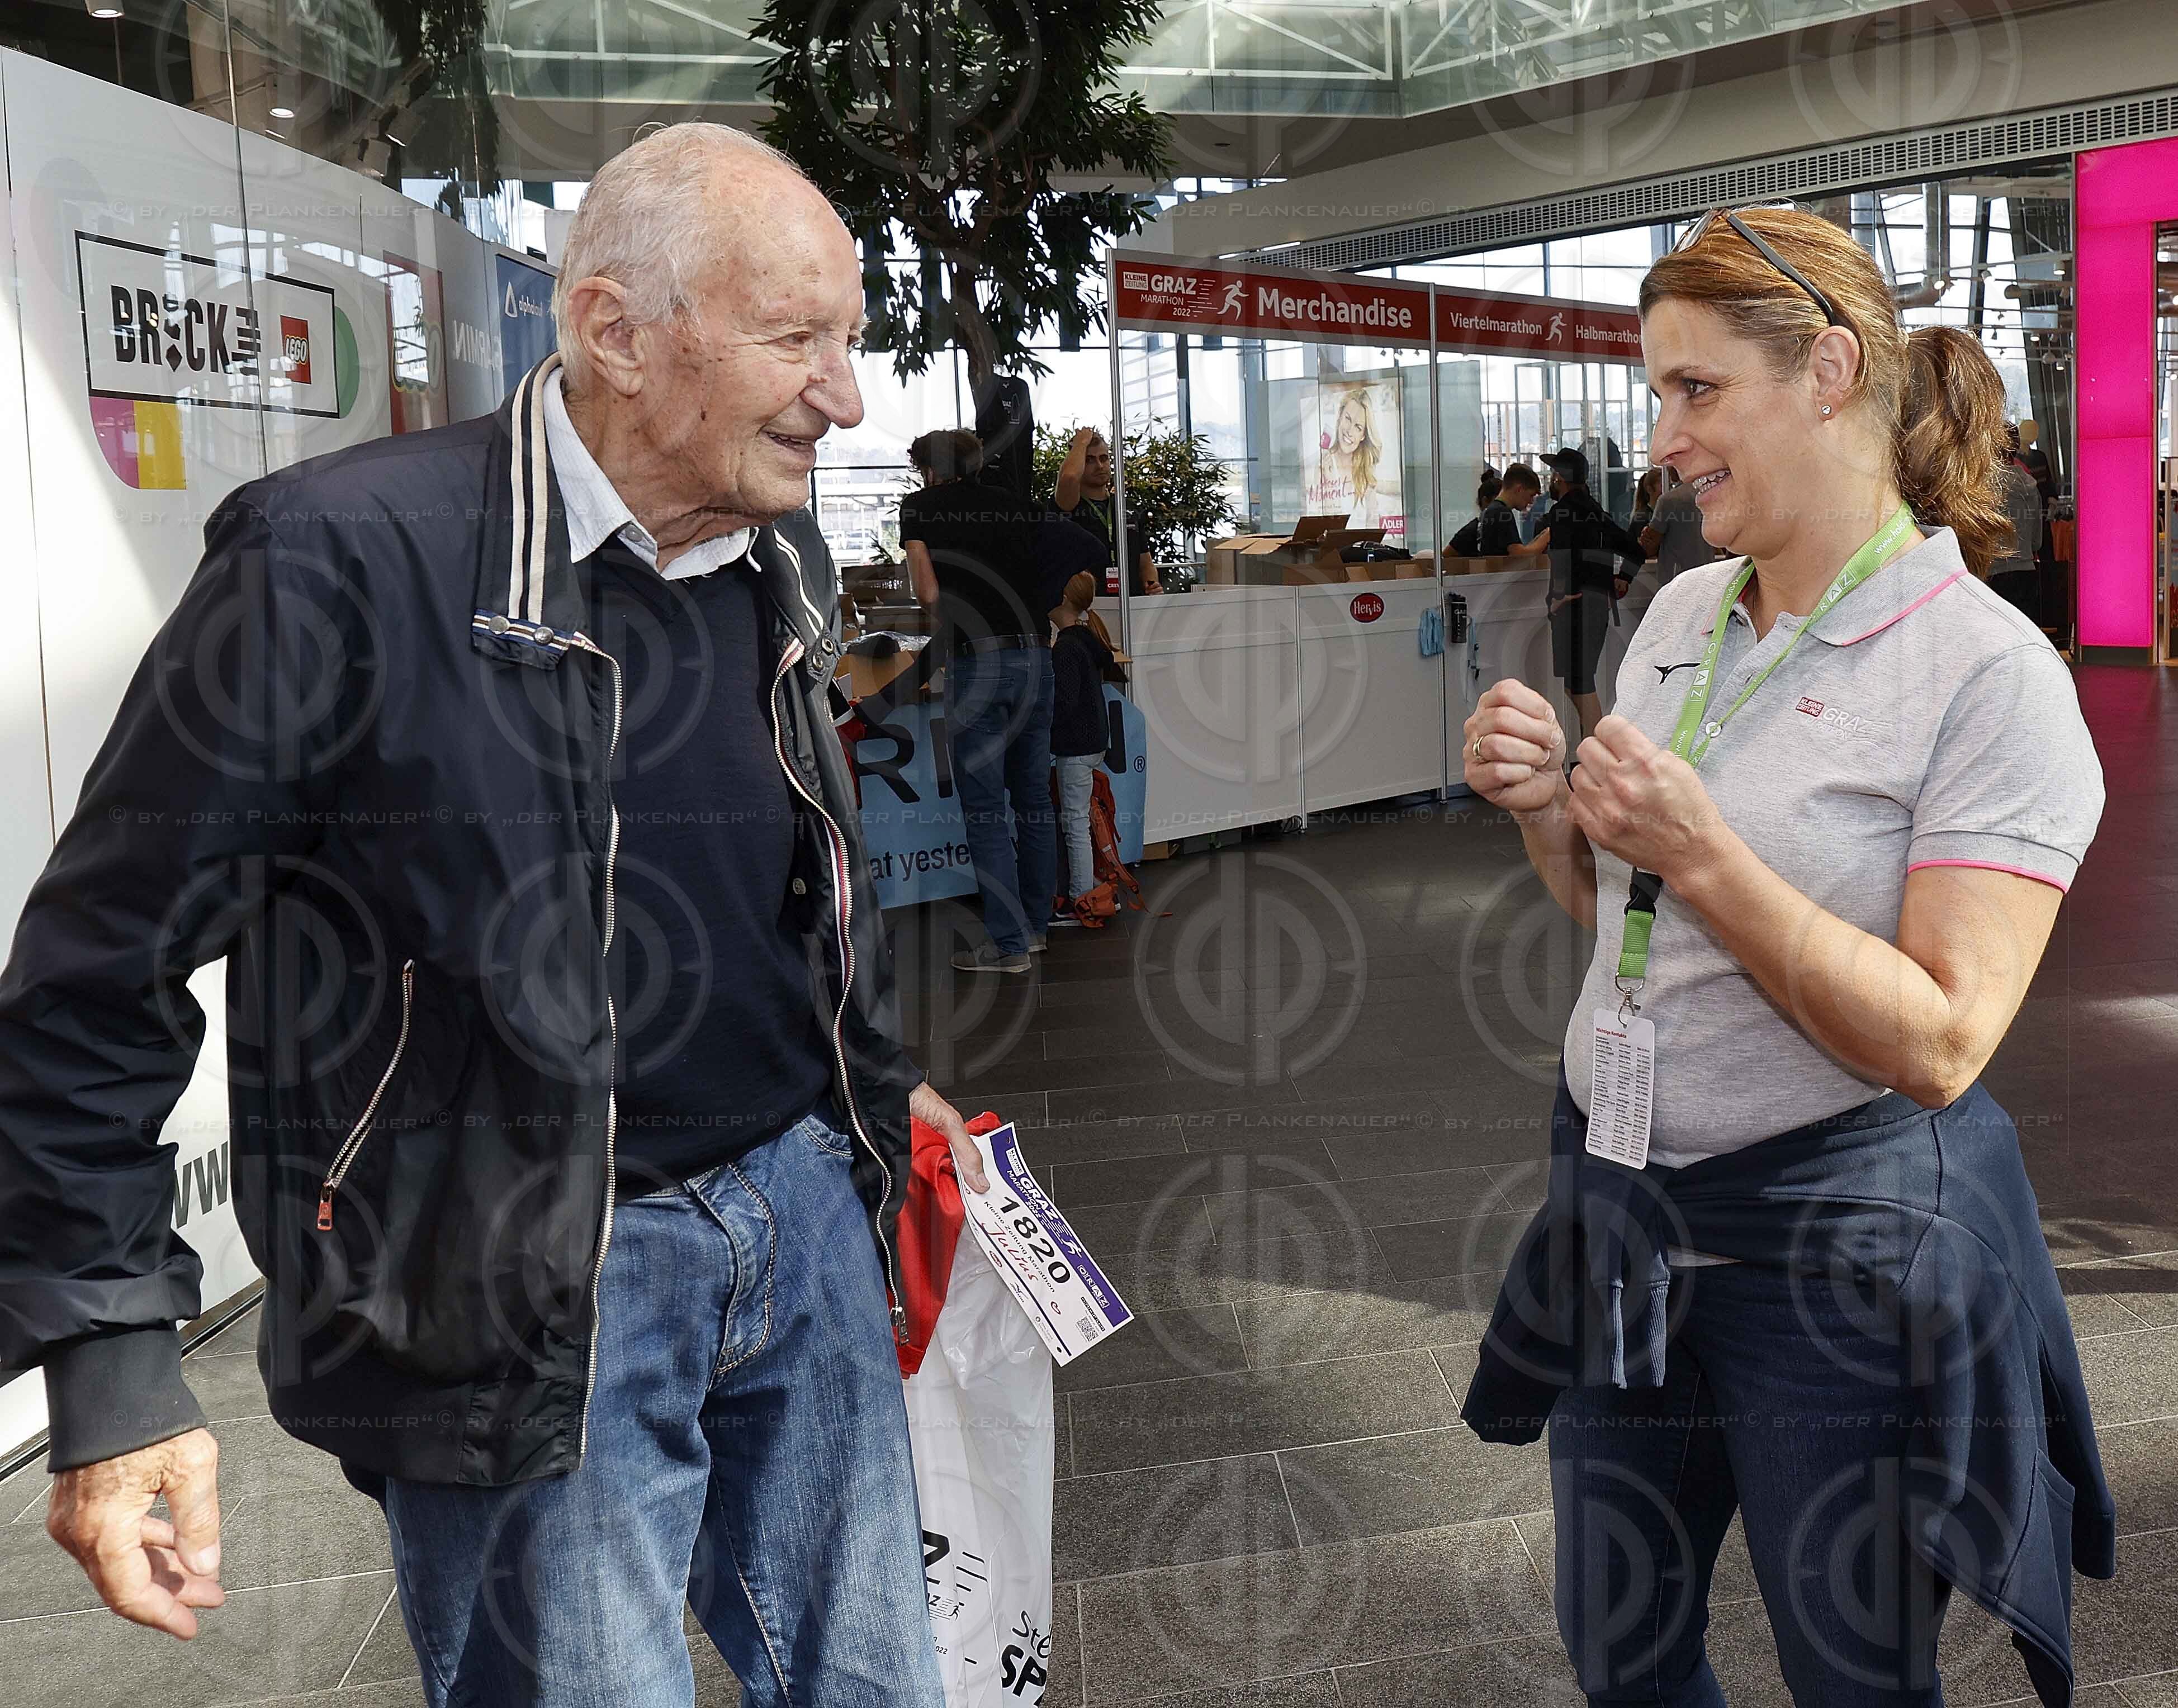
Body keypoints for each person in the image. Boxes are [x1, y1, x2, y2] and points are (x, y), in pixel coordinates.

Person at [0, 122, 987, 1708]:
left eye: (849, 339)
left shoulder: (773, 548)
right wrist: (114, 1365)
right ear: (611, 331)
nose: (848, 395)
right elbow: (91, 974)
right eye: (796, 340)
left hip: (801, 1231)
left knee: (884, 1688)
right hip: (519, 1292)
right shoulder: (334, 559)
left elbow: (778, 882)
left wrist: (863, 1094)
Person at [1460, 204, 2111, 1708]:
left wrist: (1706, 855)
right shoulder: (1687, 611)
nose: (1662, 439)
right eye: (1657, 394)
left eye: (1695, 391)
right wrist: (1551, 816)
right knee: (1620, 1643)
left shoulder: (1990, 680)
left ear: (1827, 372)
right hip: (1624, 1213)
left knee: (1855, 1671)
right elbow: (1635, 935)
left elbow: (1944, 1040)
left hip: (1832, 1255)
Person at [900, 428, 1058, 974]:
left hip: (978, 662)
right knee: (1034, 799)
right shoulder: (1016, 505)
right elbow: (1044, 570)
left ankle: (1009, 946)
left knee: (987, 812)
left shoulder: (920, 507)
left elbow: (925, 591)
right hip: (1035, 656)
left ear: (929, 468)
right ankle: (1036, 928)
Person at [1523, 444, 1646, 739]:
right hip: (1597, 605)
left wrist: (1557, 597)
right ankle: (1594, 746)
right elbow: (1636, 550)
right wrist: (1623, 578)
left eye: (1553, 474)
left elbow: (1563, 559)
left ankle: (1597, 750)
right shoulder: (1597, 513)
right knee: (1577, 681)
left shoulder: (1562, 513)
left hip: (1573, 604)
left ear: (1559, 478)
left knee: (1579, 682)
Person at [1048, 571, 1124, 928]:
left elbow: (1064, 703)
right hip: (1094, 744)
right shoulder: (1088, 640)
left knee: (1075, 826)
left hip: (1074, 747)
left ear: (1063, 598)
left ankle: (1080, 900)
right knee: (1084, 822)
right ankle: (1092, 889)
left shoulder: (1065, 647)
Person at [1055, 426, 1160, 597]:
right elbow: (1069, 477)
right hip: (1088, 606)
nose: (1100, 465)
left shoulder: (1128, 506)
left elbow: (1145, 561)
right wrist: (1081, 443)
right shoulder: (1069, 504)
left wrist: (1152, 585)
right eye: (1090, 460)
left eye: (1104, 458)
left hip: (1131, 605)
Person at [1988, 430, 2046, 620]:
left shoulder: (1985, 487)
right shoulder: (2031, 485)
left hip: (1996, 572)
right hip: (2027, 569)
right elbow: (2037, 540)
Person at [1637, 466, 1727, 588]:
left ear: (1676, 467)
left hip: (1676, 577)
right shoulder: (1711, 496)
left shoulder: (1668, 500)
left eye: (1669, 465)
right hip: (1706, 573)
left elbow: (1650, 546)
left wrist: (1646, 538)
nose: (1667, 470)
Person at [1451, 462, 1538, 558]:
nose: (1531, 501)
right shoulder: (1502, 513)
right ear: (1519, 489)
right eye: (1531, 495)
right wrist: (1548, 536)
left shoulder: (1492, 511)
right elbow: (1519, 555)